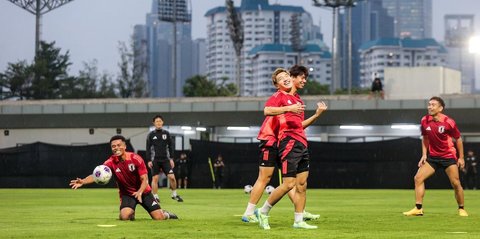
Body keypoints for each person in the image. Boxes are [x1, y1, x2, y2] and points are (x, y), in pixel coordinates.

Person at [241, 67, 321, 225]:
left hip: (284, 141)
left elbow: (298, 126)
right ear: (293, 78)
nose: (304, 81)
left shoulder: (297, 100)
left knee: (290, 182)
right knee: (266, 178)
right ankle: (249, 213)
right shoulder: (280, 96)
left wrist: (317, 115)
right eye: (302, 78)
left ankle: (300, 213)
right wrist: (288, 108)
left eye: (305, 78)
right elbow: (267, 110)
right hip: (272, 140)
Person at [69, 135, 178, 220]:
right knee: (124, 216)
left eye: (119, 145)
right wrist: (83, 181)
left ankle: (166, 214)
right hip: (127, 195)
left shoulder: (136, 159)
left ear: (125, 146)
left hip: (144, 192)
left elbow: (145, 179)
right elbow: (96, 175)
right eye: (113, 146)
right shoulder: (110, 162)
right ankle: (131, 213)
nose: (116, 148)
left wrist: (140, 192)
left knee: (159, 218)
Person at [403, 96, 468, 217]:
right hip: (433, 157)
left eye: (433, 105)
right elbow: (425, 138)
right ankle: (418, 209)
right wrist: (424, 155)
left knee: (455, 183)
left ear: (440, 108)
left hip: (448, 156)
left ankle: (461, 208)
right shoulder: (424, 120)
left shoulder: (449, 122)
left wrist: (461, 157)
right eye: (429, 104)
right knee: (418, 178)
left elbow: (458, 139)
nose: (430, 107)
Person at [146, 115, 183, 202]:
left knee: (172, 177)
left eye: (160, 121)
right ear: (154, 123)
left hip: (165, 160)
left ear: (162, 122)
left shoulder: (166, 133)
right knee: (155, 179)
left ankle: (174, 194)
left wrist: (171, 158)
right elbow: (148, 148)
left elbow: (170, 146)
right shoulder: (151, 135)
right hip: (155, 160)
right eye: (156, 121)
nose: (158, 123)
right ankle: (155, 196)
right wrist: (148, 160)